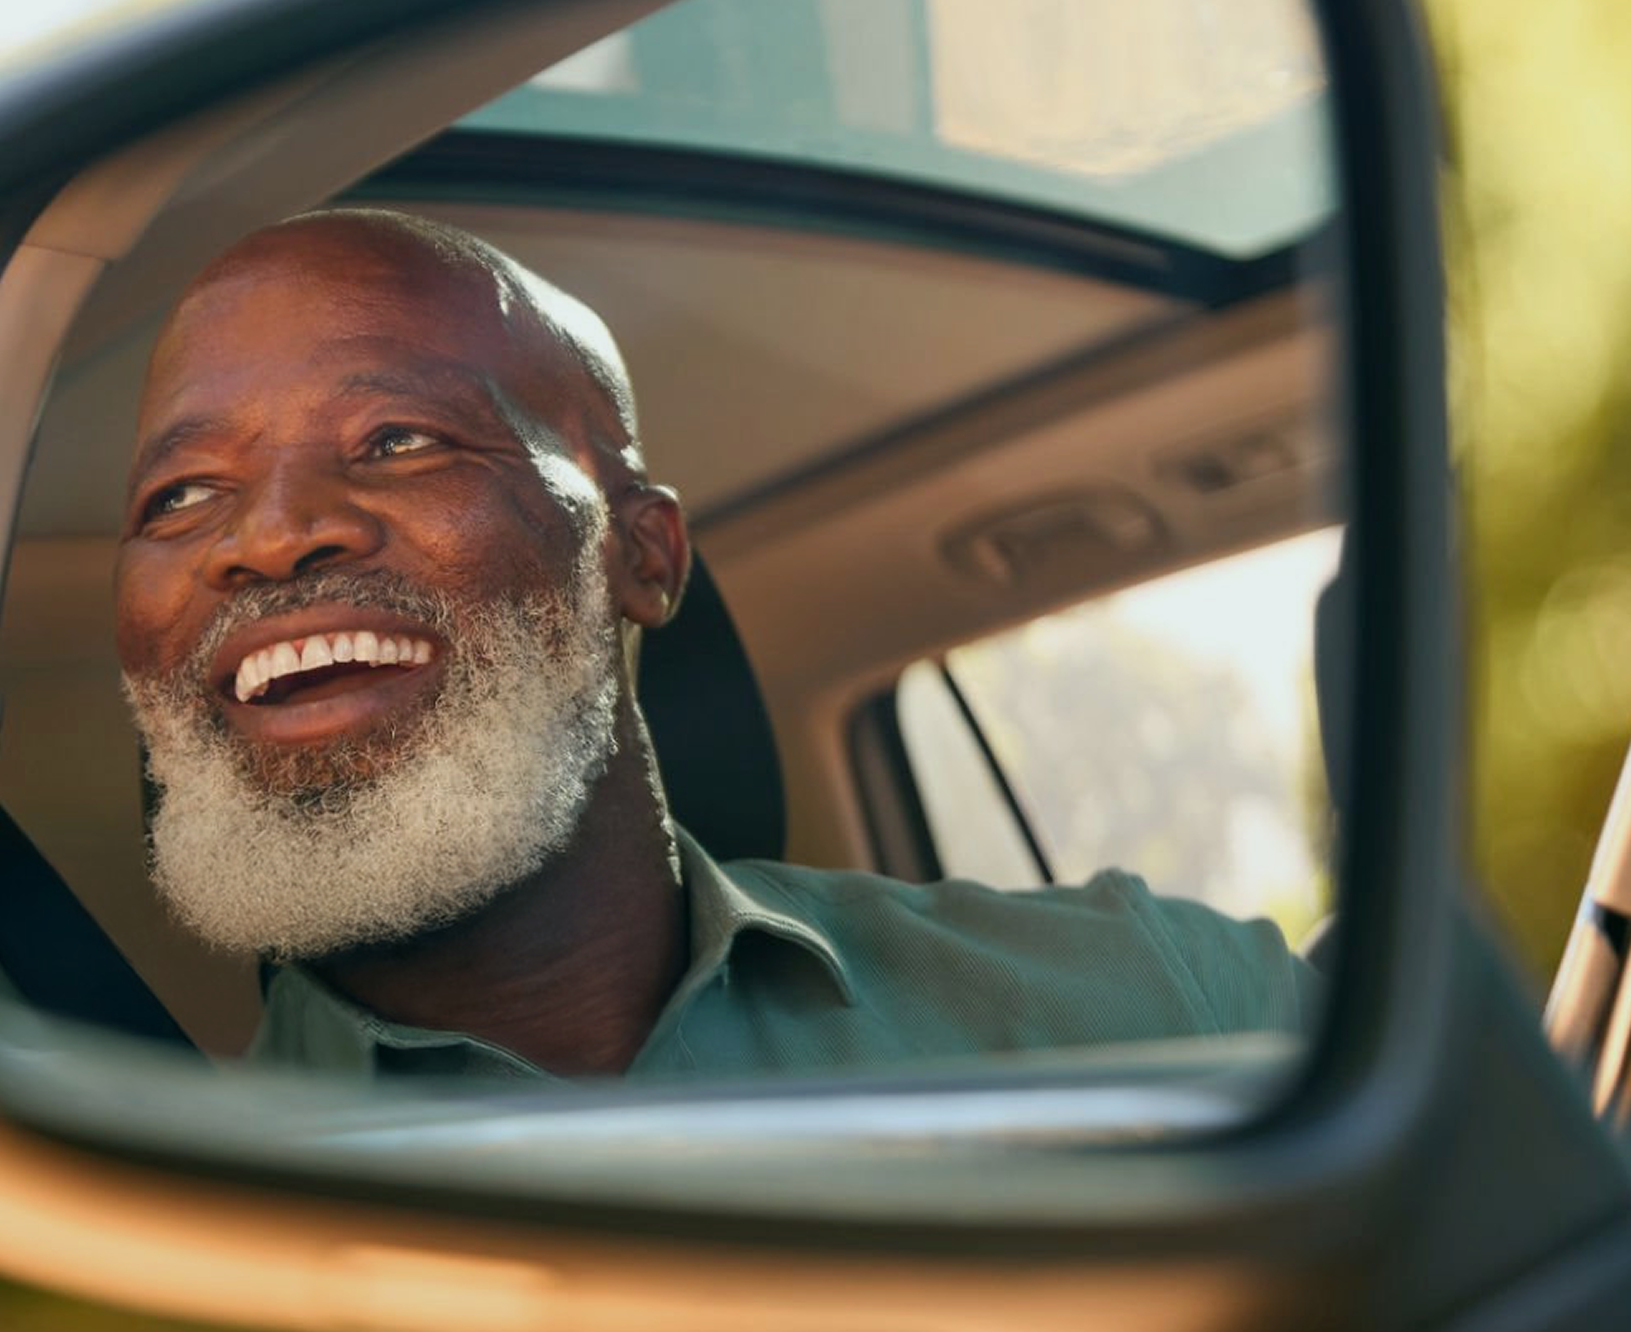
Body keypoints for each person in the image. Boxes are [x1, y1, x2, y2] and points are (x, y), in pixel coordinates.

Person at [111, 208, 1314, 1082]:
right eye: (178, 494)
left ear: (645, 557)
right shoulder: (122, 1238)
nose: (267, 537)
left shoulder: (1162, 1009)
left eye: (397, 439)